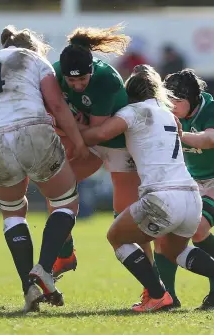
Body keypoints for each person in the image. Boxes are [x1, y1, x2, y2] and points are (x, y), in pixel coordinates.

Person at [78, 64, 214, 312]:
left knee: (116, 237)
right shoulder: (168, 113)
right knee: (176, 252)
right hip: (191, 196)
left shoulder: (132, 112)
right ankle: (162, 294)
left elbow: (96, 135)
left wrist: (71, 125)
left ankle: (157, 295)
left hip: (162, 198)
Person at [0, 25, 89, 312]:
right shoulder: (35, 59)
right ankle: (44, 270)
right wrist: (79, 141)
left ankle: (28, 287)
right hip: (31, 130)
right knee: (64, 203)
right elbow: (57, 105)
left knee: (12, 213)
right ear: (34, 46)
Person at [51, 24, 153, 277]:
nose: (76, 86)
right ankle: (64, 255)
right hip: (87, 139)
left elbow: (97, 132)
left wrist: (66, 127)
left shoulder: (106, 78)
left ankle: (154, 285)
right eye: (71, 81)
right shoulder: (54, 74)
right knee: (57, 189)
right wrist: (68, 127)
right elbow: (55, 117)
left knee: (128, 219)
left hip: (118, 144)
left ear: (92, 70)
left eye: (82, 80)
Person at [153, 69, 214, 310]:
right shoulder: (166, 111)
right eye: (169, 101)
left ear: (194, 98)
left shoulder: (209, 108)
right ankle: (165, 296)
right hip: (191, 181)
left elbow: (208, 140)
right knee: (161, 233)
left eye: (178, 101)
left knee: (198, 230)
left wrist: (178, 133)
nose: (172, 106)